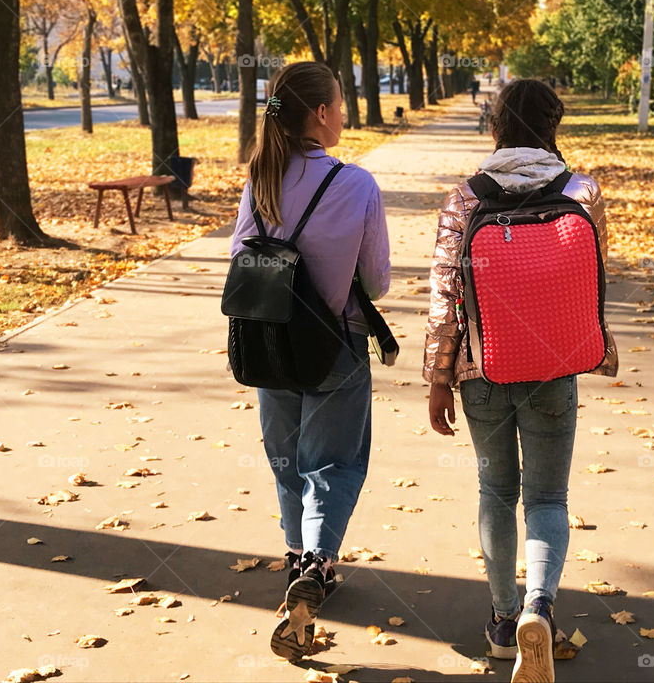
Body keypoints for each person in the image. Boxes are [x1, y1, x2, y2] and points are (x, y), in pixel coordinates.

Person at [423, 78, 618, 683]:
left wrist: (437, 376)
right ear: (555, 125)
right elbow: (595, 278)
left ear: (495, 126)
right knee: (548, 498)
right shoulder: (581, 192)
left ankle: (505, 621)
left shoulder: (465, 198)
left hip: (483, 367)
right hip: (555, 370)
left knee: (496, 493)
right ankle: (541, 609)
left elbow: (443, 296)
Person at [229, 61, 391, 662]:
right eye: (341, 104)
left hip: (271, 344)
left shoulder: (260, 179)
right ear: (320, 114)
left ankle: (297, 556)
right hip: (336, 343)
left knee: (287, 457)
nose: (345, 114)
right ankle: (318, 567)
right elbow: (375, 282)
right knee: (335, 463)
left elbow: (241, 257)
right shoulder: (357, 185)